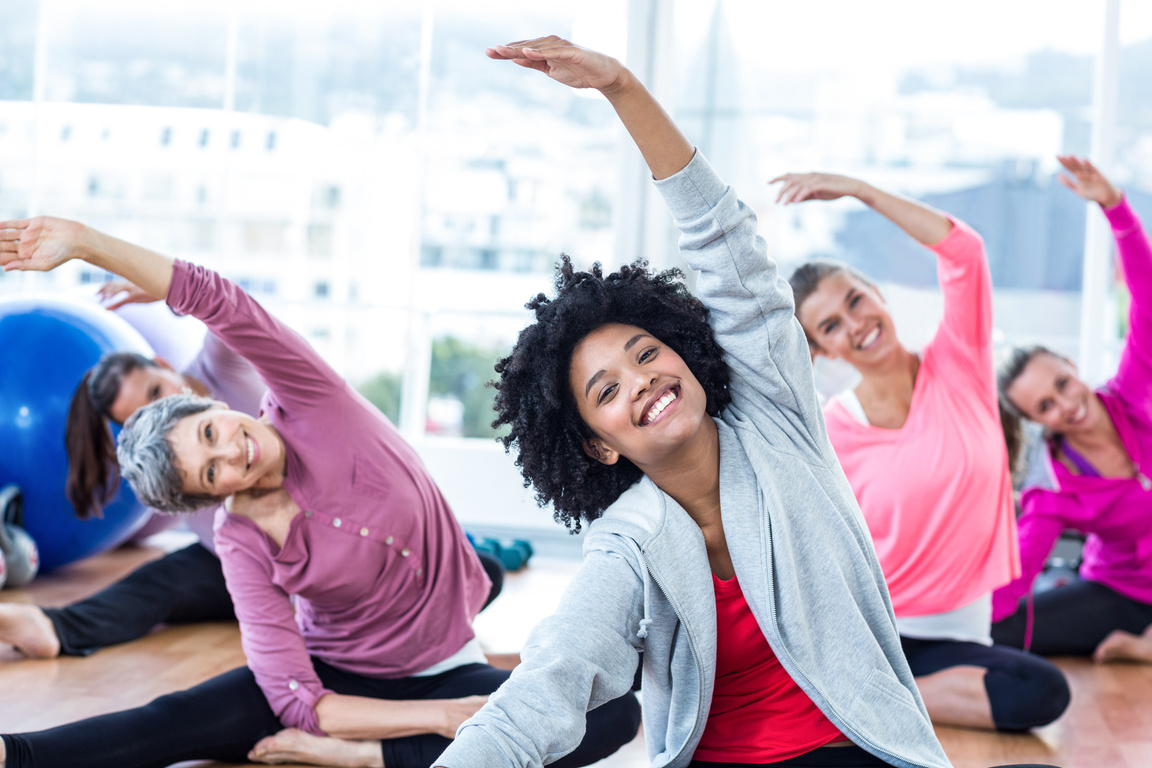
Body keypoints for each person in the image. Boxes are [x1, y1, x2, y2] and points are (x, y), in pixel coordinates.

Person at [435, 36, 956, 768]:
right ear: (599, 443)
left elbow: (721, 236)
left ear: (686, 353)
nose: (641, 380)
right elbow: (543, 689)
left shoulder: (778, 421)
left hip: (864, 748)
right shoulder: (629, 542)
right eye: (607, 390)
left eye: (647, 353)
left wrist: (621, 87)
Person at [0, 216, 638, 768]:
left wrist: (86, 243)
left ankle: (369, 759)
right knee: (177, 718)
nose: (232, 453)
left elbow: (217, 298)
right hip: (347, 679)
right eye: (212, 472)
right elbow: (300, 700)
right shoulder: (240, 541)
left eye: (213, 432)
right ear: (208, 497)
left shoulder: (310, 398)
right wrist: (449, 718)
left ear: (207, 403)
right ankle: (15, 753)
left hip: (442, 661)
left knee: (613, 715)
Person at [782, 171, 1070, 732]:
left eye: (856, 299)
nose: (857, 323)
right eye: (832, 325)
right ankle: (849, 688)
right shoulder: (831, 430)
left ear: (879, 293)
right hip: (876, 632)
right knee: (1040, 691)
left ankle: (852, 701)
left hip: (962, 635)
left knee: (1041, 694)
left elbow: (963, 251)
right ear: (821, 350)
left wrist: (859, 191)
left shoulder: (959, 364)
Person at [994, 155, 1152, 663]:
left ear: (1071, 362)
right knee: (1006, 630)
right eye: (1046, 405)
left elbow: (1145, 303)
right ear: (1036, 422)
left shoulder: (1131, 391)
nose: (1067, 405)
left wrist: (1117, 210)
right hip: (1125, 594)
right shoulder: (1052, 491)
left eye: (1063, 383)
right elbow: (1013, 585)